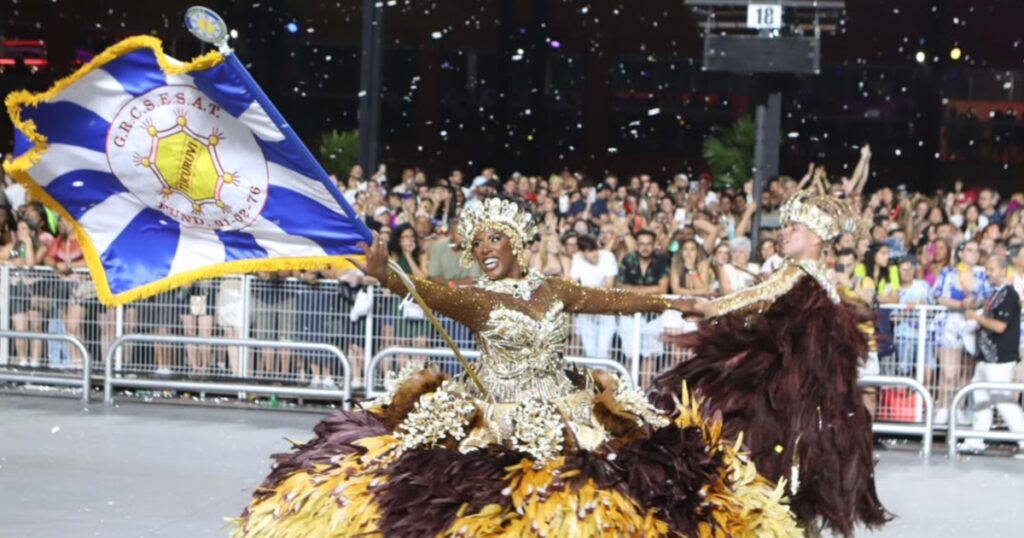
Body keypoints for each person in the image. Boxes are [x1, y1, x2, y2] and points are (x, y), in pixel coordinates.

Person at [232, 196, 801, 537]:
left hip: (566, 408)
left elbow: (614, 299)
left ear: (518, 244)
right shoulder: (477, 299)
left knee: (582, 491)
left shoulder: (552, 288)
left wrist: (676, 301)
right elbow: (426, 290)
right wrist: (387, 276)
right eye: (477, 242)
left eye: (495, 239)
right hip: (496, 412)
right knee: (494, 498)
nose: (485, 249)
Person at [652, 191, 890, 536]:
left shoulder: (798, 271)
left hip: (786, 395)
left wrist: (713, 308)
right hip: (804, 397)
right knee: (793, 474)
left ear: (816, 238)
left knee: (762, 464)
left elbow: (759, 295)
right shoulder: (823, 279)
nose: (784, 232)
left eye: (794, 227)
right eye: (785, 226)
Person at [959, 255, 1024, 456]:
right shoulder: (994, 295)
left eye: (992, 269)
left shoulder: (1009, 295)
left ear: (1003, 271)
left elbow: (1000, 326)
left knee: (1003, 401)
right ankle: (975, 440)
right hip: (985, 357)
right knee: (980, 398)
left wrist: (976, 317)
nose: (988, 273)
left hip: (1000, 358)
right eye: (987, 269)